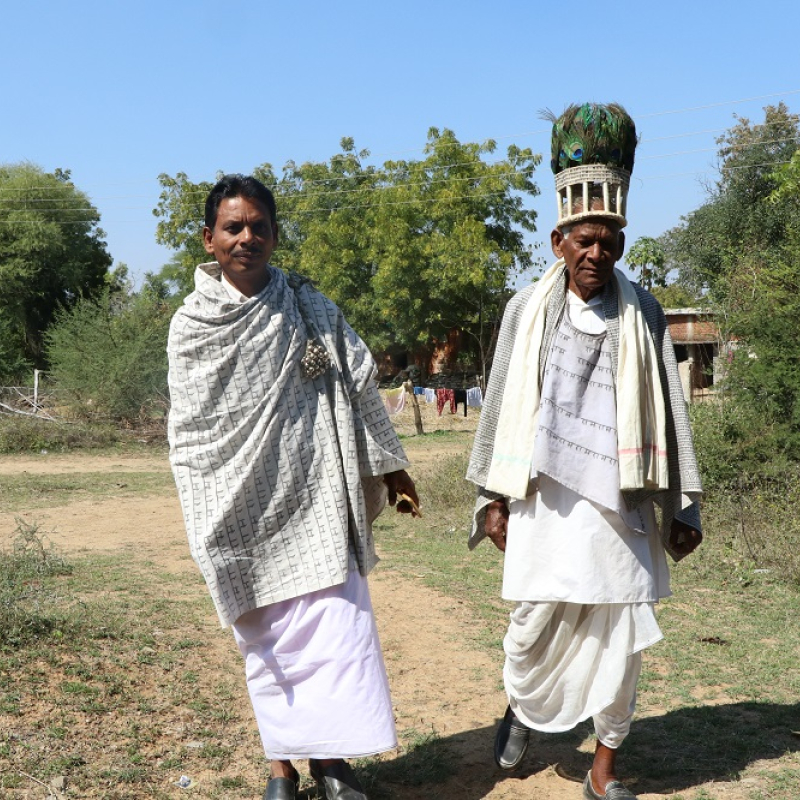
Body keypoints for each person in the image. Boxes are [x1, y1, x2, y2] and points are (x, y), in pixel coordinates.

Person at [466, 104, 703, 800]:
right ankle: (523, 705)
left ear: (621, 243)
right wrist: (492, 498)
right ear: (558, 241)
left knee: (621, 640)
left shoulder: (646, 311)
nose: (597, 253)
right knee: (530, 626)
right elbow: (503, 400)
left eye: (609, 241)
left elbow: (671, 406)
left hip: (622, 501)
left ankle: (603, 771)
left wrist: (683, 504)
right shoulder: (525, 309)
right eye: (584, 240)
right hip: (545, 498)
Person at [167, 174, 420, 800]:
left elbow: (359, 379)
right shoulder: (190, 325)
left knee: (331, 631)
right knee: (267, 639)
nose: (246, 236)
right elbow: (192, 428)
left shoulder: (311, 307)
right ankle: (281, 764)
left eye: (258, 226)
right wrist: (209, 500)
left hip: (314, 497)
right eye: (233, 226)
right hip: (238, 507)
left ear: (276, 236)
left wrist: (391, 465)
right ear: (209, 238)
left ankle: (331, 764)